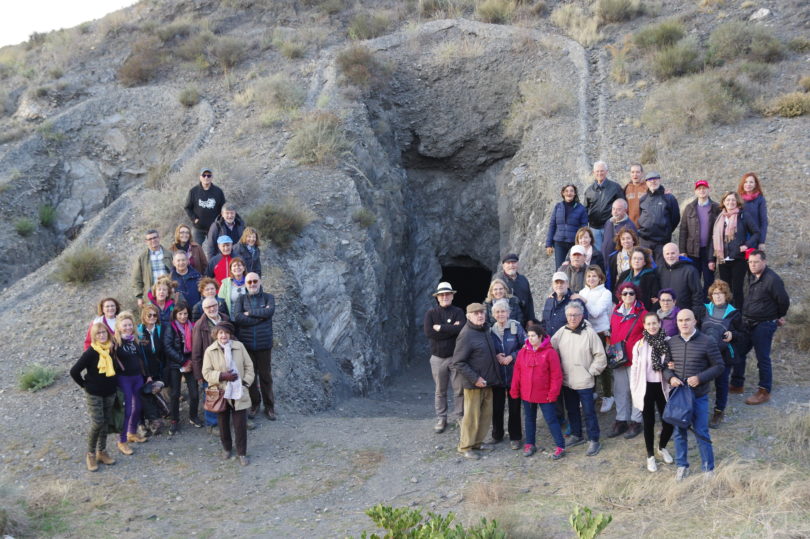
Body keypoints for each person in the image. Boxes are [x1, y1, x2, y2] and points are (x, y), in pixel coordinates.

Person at [664, 309, 724, 480]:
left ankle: (708, 468)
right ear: (676, 322)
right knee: (679, 431)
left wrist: (700, 378)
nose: (684, 323)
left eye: (687, 320)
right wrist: (671, 379)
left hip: (698, 396)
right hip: (679, 396)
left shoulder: (707, 341)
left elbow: (719, 366)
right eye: (680, 320)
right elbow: (665, 368)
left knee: (701, 431)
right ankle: (682, 466)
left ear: (695, 321)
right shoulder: (672, 342)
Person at [550, 302, 606, 457]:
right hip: (567, 380)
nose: (572, 318)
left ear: (581, 316)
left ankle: (594, 439)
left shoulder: (589, 333)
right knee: (572, 409)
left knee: (589, 412)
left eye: (575, 315)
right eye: (569, 315)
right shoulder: (562, 332)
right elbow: (549, 348)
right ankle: (577, 435)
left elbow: (600, 356)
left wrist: (591, 372)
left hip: (584, 380)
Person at [735, 250, 789, 405]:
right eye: (750, 262)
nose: (752, 265)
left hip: (764, 324)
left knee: (762, 358)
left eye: (756, 262)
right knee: (738, 352)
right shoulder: (752, 276)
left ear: (764, 262)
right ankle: (737, 385)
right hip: (748, 322)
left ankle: (764, 391)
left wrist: (778, 316)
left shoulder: (773, 279)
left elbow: (783, 301)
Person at [452, 303, 503, 460]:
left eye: (481, 312)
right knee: (472, 417)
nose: (480, 315)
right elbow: (458, 362)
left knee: (485, 415)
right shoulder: (466, 334)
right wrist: (476, 379)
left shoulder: (485, 329)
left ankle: (478, 442)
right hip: (474, 384)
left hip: (488, 382)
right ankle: (465, 446)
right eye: (476, 313)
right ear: (468, 316)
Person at [202, 321, 255, 466]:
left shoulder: (239, 347)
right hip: (220, 393)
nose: (223, 335)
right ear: (216, 335)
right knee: (223, 423)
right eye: (220, 333)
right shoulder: (210, 351)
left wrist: (245, 383)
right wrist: (222, 376)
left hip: (239, 392)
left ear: (230, 334)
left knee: (240, 425)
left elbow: (249, 367)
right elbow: (206, 373)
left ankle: (242, 453)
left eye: (225, 332)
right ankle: (226, 448)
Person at [510, 323, 564, 459]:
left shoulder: (550, 353)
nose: (530, 339)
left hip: (545, 394)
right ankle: (530, 444)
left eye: (533, 336)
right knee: (529, 419)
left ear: (540, 337)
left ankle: (560, 446)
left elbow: (556, 375)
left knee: (551, 419)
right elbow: (517, 372)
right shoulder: (523, 352)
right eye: (528, 336)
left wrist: (553, 393)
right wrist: (515, 389)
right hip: (527, 394)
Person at [629, 312, 674, 472]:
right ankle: (650, 456)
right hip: (646, 387)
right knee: (648, 423)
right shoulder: (640, 345)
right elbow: (634, 369)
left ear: (659, 323)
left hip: (664, 387)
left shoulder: (669, 342)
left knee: (668, 421)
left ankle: (662, 447)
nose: (652, 326)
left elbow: (673, 363)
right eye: (648, 324)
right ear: (644, 326)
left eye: (654, 323)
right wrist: (634, 390)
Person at [71, 322, 118, 471]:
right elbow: (74, 371)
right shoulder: (91, 352)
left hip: (109, 392)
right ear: (94, 336)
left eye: (104, 332)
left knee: (105, 423)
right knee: (97, 422)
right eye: (98, 333)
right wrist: (85, 385)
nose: (102, 335)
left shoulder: (111, 349)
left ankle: (102, 452)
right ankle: (90, 454)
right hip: (94, 394)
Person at [698, 280, 743, 428]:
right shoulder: (704, 309)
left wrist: (733, 334)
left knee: (721, 383)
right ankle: (699, 411)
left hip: (724, 354)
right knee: (701, 381)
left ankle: (719, 411)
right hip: (704, 353)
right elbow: (696, 328)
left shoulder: (734, 312)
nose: (718, 296)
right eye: (715, 293)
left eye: (721, 293)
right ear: (711, 295)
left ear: (726, 295)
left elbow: (742, 334)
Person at [423, 282, 466, 433]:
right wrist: (451, 329)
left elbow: (461, 330)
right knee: (440, 390)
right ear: (437, 298)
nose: (445, 297)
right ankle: (442, 418)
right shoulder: (431, 313)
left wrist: (441, 328)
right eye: (442, 295)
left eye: (447, 294)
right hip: (437, 358)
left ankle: (460, 417)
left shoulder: (459, 312)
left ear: (452, 296)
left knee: (459, 389)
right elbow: (429, 333)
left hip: (456, 357)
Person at [234, 273, 277, 421]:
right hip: (247, 346)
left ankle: (269, 406)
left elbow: (269, 311)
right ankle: (255, 404)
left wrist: (250, 313)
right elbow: (238, 318)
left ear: (259, 282)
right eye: (249, 281)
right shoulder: (241, 299)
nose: (252, 284)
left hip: (264, 345)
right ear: (245, 284)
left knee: (266, 377)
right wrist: (260, 318)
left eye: (255, 281)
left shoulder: (268, 297)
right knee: (251, 378)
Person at [608, 282, 647, 439]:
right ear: (620, 296)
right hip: (619, 358)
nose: (628, 296)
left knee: (636, 391)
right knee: (620, 390)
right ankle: (621, 419)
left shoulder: (642, 313)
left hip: (635, 359)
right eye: (625, 293)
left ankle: (636, 421)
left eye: (631, 293)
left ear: (636, 294)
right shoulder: (615, 312)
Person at [488, 299, 526, 449]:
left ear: (508, 313)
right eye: (497, 312)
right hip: (497, 376)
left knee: (514, 406)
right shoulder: (491, 331)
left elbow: (525, 346)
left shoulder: (516, 326)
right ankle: (497, 435)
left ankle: (515, 437)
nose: (500, 314)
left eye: (503, 311)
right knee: (496, 407)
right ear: (493, 315)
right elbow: (487, 349)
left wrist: (512, 357)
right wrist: (496, 356)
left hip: (514, 375)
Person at [712, 191, 759, 308]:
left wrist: (747, 245)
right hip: (723, 259)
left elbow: (756, 233)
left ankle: (738, 316)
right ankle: (727, 314)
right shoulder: (719, 217)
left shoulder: (743, 216)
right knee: (725, 290)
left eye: (733, 200)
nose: (730, 202)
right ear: (723, 202)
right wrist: (711, 259)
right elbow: (713, 239)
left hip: (738, 258)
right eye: (728, 200)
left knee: (737, 289)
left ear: (737, 202)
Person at [577, 265, 615, 413]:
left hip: (601, 332)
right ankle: (591, 393)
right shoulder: (582, 292)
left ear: (600, 278)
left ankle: (608, 395)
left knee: (603, 365)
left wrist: (583, 300)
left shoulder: (605, 293)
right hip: (587, 332)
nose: (591, 279)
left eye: (594, 276)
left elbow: (596, 313)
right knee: (587, 363)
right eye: (588, 276)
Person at [112, 311, 148, 456]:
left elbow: (140, 359)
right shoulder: (115, 342)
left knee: (138, 406)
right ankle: (122, 441)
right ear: (119, 327)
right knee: (126, 410)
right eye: (124, 325)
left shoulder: (134, 340)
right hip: (124, 379)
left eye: (130, 324)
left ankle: (131, 433)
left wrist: (147, 375)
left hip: (137, 377)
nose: (127, 327)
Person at [163, 302, 201, 433]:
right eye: (180, 314)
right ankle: (174, 420)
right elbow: (168, 347)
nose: (183, 316)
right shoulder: (170, 328)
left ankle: (193, 416)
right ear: (175, 314)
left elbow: (197, 345)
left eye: (185, 313)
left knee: (194, 393)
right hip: (176, 363)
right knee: (174, 394)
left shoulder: (193, 326)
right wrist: (183, 362)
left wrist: (191, 361)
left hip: (190, 362)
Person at [192, 297, 229, 431]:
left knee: (229, 392)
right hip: (210, 368)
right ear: (203, 309)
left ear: (218, 304)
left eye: (214, 305)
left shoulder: (225, 319)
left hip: (227, 364)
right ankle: (212, 424)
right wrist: (198, 374)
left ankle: (229, 419)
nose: (212, 309)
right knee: (212, 395)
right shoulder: (199, 326)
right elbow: (196, 351)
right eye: (208, 307)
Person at [679, 181, 721, 295]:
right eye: (699, 189)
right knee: (693, 279)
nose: (702, 191)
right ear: (695, 191)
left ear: (709, 189)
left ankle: (707, 305)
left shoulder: (716, 207)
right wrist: (682, 251)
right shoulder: (689, 208)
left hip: (709, 251)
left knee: (709, 280)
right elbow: (683, 230)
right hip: (692, 251)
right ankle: (695, 305)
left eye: (704, 188)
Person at [637, 171, 680, 266]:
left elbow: (675, 218)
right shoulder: (643, 199)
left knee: (661, 268)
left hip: (662, 241)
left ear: (660, 180)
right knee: (646, 267)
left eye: (655, 179)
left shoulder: (669, 198)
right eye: (650, 180)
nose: (653, 182)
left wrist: (666, 230)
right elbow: (641, 217)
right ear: (646, 183)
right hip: (645, 241)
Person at [545, 184, 589, 270]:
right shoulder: (558, 207)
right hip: (559, 242)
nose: (569, 193)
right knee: (560, 268)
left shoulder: (581, 209)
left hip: (574, 242)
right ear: (563, 193)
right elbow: (552, 225)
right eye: (566, 191)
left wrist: (582, 243)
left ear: (575, 193)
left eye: (571, 191)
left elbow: (584, 227)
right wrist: (548, 244)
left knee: (575, 266)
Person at [584, 160, 625, 251]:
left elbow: (623, 206)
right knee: (597, 253)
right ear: (593, 172)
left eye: (602, 171)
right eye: (597, 171)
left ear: (606, 172)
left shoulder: (615, 187)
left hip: (610, 227)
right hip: (594, 228)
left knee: (610, 251)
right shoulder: (589, 190)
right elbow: (585, 210)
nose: (599, 173)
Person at [658, 243, 704, 318]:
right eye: (667, 254)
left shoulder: (690, 270)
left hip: (684, 316)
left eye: (673, 253)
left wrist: (695, 315)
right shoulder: (659, 270)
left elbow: (697, 294)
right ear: (663, 255)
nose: (670, 256)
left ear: (678, 253)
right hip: (665, 316)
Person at [184, 167, 226, 246]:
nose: (206, 177)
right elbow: (187, 207)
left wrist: (220, 221)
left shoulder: (218, 191)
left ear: (212, 177)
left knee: (216, 248)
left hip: (214, 227)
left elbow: (223, 208)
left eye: (209, 175)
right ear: (200, 177)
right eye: (204, 175)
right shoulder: (193, 191)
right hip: (198, 228)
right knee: (195, 249)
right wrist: (194, 219)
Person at [133, 229, 173, 308]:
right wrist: (139, 297)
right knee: (153, 316)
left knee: (169, 315)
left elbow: (175, 273)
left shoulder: (169, 254)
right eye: (150, 239)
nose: (153, 240)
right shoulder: (142, 258)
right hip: (150, 294)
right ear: (146, 241)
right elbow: (137, 279)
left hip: (167, 292)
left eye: (155, 237)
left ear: (159, 238)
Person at [541, 272, 588, 339]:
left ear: (567, 284)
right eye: (556, 283)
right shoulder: (549, 300)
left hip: (569, 342)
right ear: (552, 285)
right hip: (550, 342)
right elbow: (544, 322)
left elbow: (584, 322)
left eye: (562, 282)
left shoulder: (575, 300)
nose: (559, 285)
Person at [615, 247, 660, 312]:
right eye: (634, 258)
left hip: (641, 312)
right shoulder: (624, 274)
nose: (636, 261)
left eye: (640, 259)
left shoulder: (651, 277)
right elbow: (616, 291)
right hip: (622, 310)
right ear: (630, 260)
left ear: (644, 262)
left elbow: (654, 299)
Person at [497, 254, 534, 325]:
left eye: (513, 262)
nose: (511, 265)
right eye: (508, 263)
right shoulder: (499, 282)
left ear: (517, 264)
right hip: (508, 322)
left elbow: (529, 301)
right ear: (503, 266)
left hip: (524, 321)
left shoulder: (523, 279)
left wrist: (530, 319)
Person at [601, 198, 636, 264]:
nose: (615, 212)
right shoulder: (608, 222)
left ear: (625, 210)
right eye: (613, 209)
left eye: (618, 209)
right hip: (605, 260)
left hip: (618, 262)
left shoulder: (629, 226)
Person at [738, 172, 767, 251]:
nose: (748, 184)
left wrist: (762, 241)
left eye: (751, 182)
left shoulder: (760, 199)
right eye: (746, 182)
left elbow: (763, 221)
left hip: (754, 236)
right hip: (740, 236)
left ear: (755, 184)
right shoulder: (737, 198)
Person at [606, 226, 639, 291]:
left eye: (628, 238)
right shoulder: (613, 257)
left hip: (637, 289)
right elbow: (610, 278)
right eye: (623, 239)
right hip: (619, 291)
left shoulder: (641, 254)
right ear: (620, 242)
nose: (626, 241)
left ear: (633, 240)